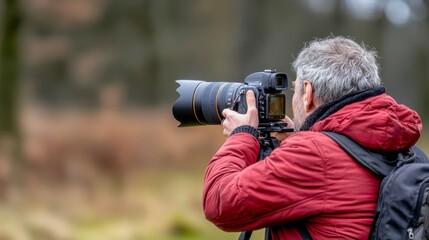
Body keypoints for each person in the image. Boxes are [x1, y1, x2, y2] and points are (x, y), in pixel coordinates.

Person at [202, 36, 422, 239]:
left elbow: (219, 203)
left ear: (308, 93)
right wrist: (296, 139)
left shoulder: (313, 155)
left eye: (295, 91)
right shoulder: (405, 147)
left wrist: (242, 136)